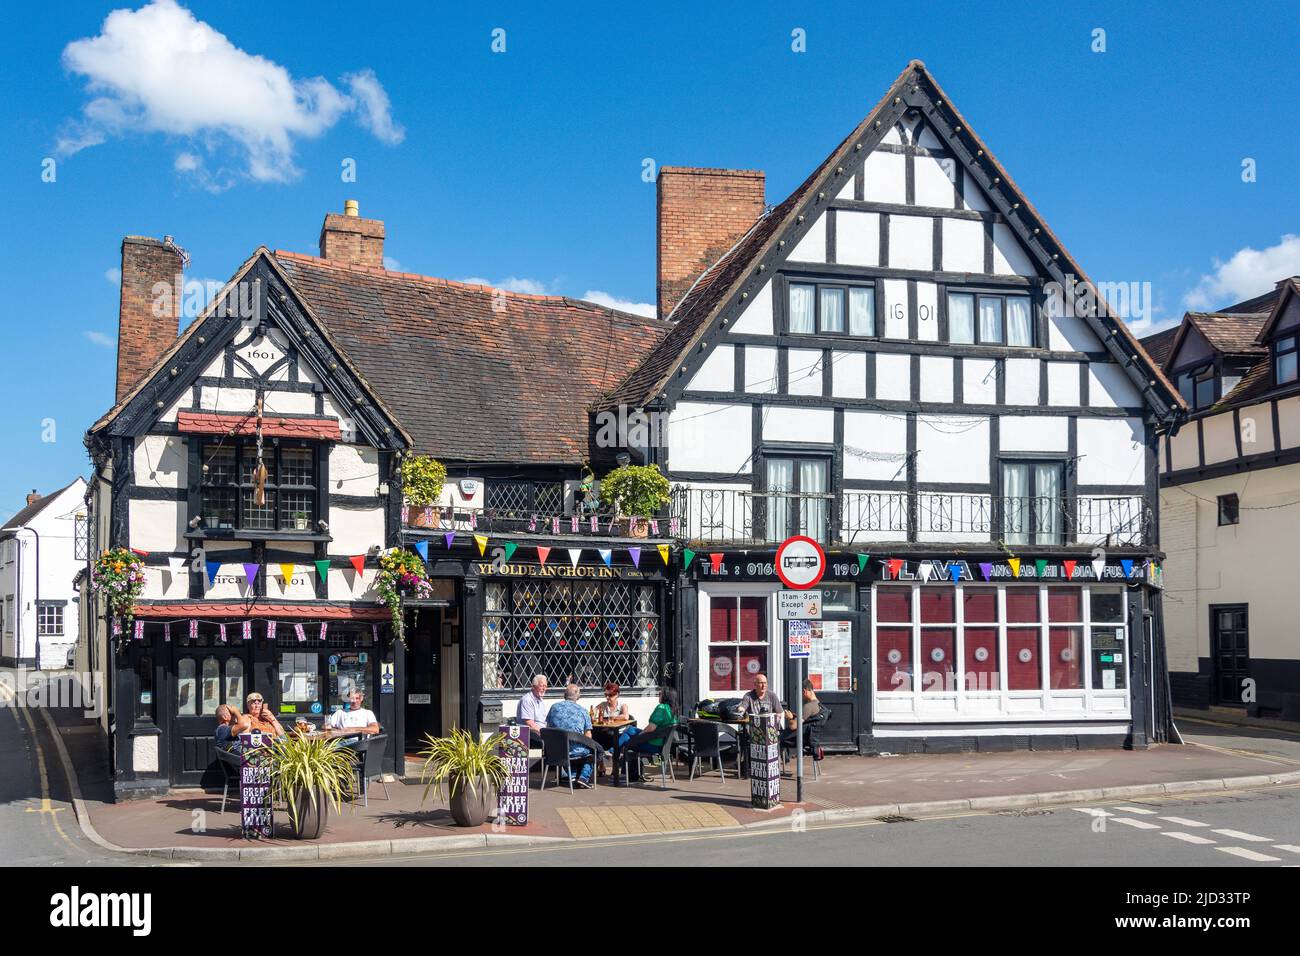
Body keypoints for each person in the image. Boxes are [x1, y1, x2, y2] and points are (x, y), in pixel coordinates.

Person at [545, 683, 595, 788]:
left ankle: (571, 775)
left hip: (556, 750)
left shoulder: (554, 708)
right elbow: (588, 735)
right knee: (593, 751)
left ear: (564, 695)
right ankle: (583, 777)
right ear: (577, 695)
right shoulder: (583, 711)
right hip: (575, 751)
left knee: (568, 746)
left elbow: (548, 727)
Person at [625, 687, 679, 781]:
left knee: (629, 737)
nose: (658, 695)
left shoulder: (661, 707)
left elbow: (651, 728)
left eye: (660, 694)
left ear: (666, 696)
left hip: (653, 745)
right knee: (630, 733)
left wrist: (640, 734)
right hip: (664, 746)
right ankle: (615, 753)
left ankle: (614, 754)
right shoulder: (673, 710)